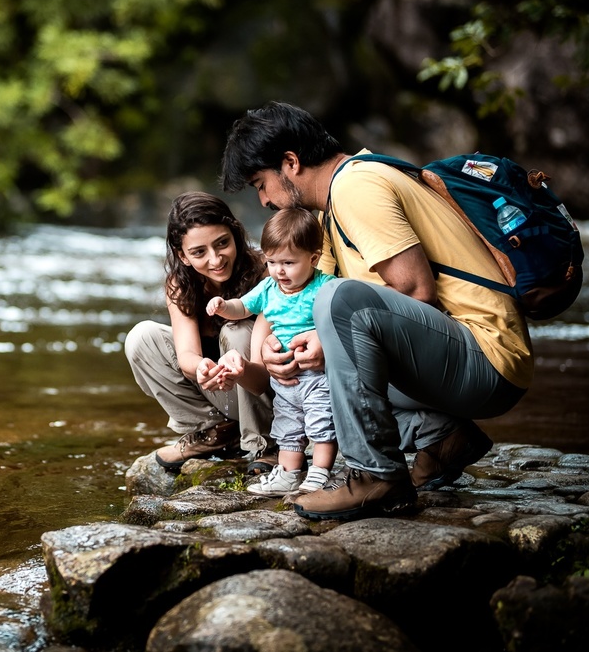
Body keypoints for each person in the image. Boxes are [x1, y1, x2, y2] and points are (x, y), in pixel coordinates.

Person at [218, 101, 531, 522]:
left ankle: (376, 476)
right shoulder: (329, 212)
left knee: (339, 299)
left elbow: (416, 290)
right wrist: (275, 349)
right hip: (449, 359)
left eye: (261, 184)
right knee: (321, 349)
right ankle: (442, 438)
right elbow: (302, 305)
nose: (263, 200)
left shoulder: (357, 187)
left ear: (290, 163)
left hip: (485, 359)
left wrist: (326, 340)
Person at [124, 192, 278, 474]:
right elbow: (186, 355)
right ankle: (215, 432)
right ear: (182, 256)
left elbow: (264, 377)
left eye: (222, 243)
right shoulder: (181, 284)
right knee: (141, 337)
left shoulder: (266, 273)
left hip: (268, 393)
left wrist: (239, 368)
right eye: (199, 252)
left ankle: (267, 444)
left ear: (236, 235)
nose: (215, 259)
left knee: (237, 329)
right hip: (222, 392)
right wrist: (203, 368)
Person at [206, 207, 337, 496]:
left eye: (289, 262)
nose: (279, 270)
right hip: (284, 379)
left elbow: (344, 313)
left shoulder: (325, 286)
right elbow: (243, 307)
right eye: (272, 262)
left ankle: (320, 472)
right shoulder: (268, 288)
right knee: (287, 426)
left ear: (313, 258)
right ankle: (288, 474)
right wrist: (224, 306)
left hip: (318, 375)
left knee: (321, 422)